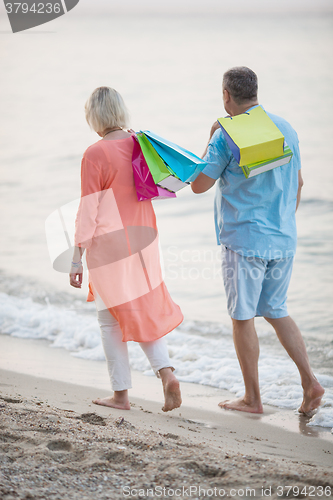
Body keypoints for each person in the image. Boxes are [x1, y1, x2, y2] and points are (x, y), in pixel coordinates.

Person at [191, 67, 324, 415]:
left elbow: (199, 185)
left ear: (226, 95)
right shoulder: (286, 128)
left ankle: (253, 398)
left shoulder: (225, 136)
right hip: (283, 238)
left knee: (242, 316)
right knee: (276, 311)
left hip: (245, 240)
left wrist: (210, 137)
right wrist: (283, 223)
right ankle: (311, 382)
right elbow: (299, 184)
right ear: (255, 92)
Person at [69, 87, 183, 412]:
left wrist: (76, 258)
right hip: (144, 239)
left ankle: (120, 395)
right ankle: (166, 373)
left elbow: (88, 210)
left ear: (94, 116)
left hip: (110, 245)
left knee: (110, 320)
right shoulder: (140, 144)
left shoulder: (95, 153)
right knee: (139, 308)